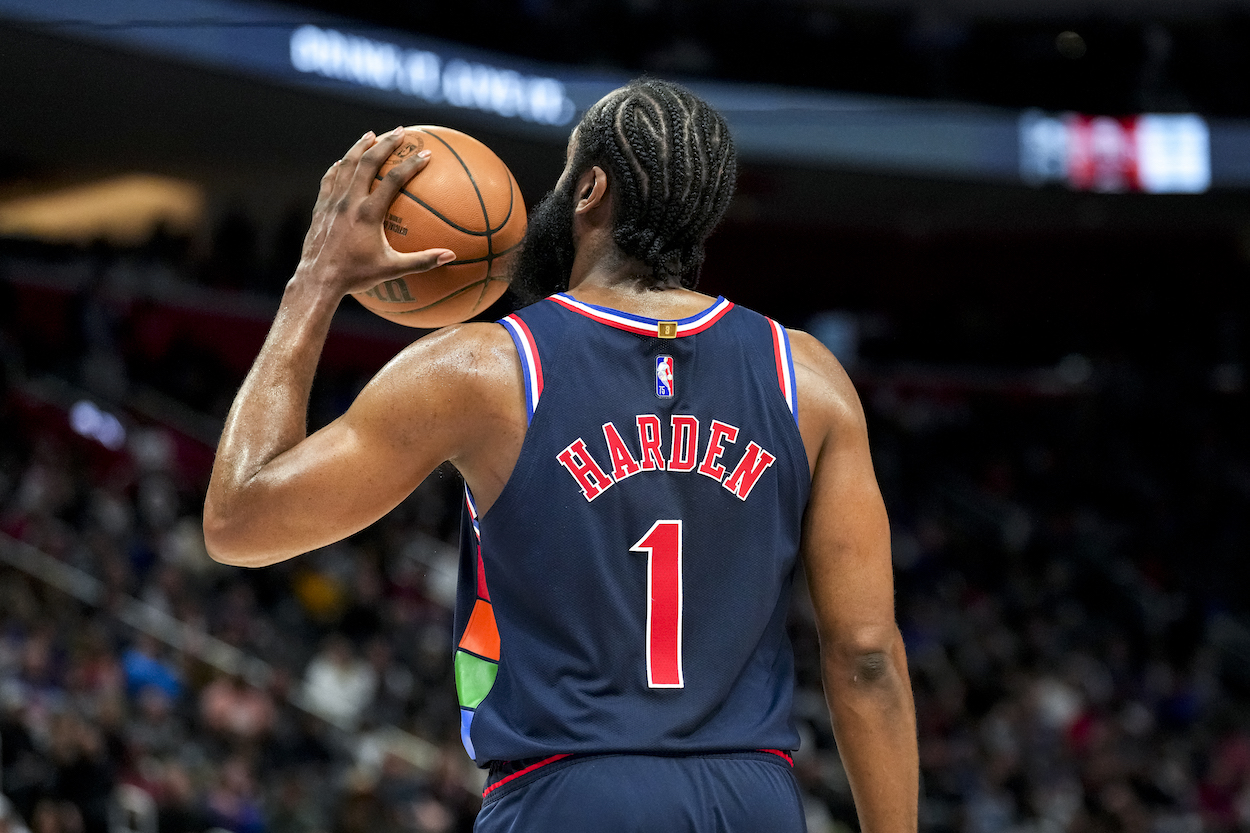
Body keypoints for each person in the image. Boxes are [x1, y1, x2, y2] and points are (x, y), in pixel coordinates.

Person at [204, 79, 918, 832]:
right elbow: (867, 655)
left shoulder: (484, 369)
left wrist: (315, 281)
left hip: (568, 793)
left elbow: (239, 519)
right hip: (754, 798)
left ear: (590, 188)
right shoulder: (806, 377)